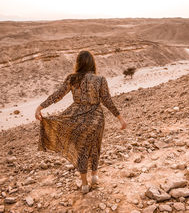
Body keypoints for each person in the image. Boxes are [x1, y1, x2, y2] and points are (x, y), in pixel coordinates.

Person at [35, 50, 127, 194]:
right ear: (92, 63)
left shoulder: (72, 79)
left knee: (82, 150)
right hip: (96, 118)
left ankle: (84, 184)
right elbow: (107, 101)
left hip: (76, 118)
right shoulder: (100, 79)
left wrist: (41, 107)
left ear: (78, 63)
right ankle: (95, 176)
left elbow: (58, 95)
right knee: (95, 146)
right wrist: (120, 118)